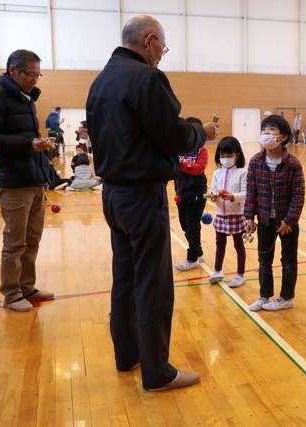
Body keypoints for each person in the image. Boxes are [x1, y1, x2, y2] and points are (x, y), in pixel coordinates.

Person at [86, 15, 218, 392]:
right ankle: (158, 372)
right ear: (149, 40)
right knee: (154, 284)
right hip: (142, 195)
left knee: (125, 278)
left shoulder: (101, 80)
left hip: (112, 193)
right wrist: (200, 132)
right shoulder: (145, 76)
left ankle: (127, 355)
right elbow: (172, 135)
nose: (162, 54)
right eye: (162, 46)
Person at [0, 49, 56, 312]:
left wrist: (45, 175)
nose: (35, 79)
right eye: (30, 74)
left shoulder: (26, 99)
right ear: (13, 70)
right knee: (15, 243)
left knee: (32, 240)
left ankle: (26, 287)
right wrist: (28, 143)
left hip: (34, 182)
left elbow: (31, 142)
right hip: (13, 185)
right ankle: (11, 294)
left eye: (38, 74)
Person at [244, 115, 305, 312]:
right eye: (264, 130)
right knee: (264, 260)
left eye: (271, 130)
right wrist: (248, 217)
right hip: (264, 220)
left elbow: (298, 195)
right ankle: (264, 296)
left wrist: (289, 221)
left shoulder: (293, 164)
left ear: (283, 137)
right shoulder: (255, 161)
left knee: (288, 261)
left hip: (287, 223)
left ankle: (287, 297)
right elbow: (251, 192)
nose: (266, 134)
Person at [208, 136, 248, 288]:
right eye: (222, 156)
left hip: (237, 215)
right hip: (221, 215)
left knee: (239, 245)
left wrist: (232, 197)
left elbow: (246, 193)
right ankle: (217, 271)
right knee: (220, 244)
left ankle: (240, 274)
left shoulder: (242, 173)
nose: (225, 159)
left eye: (229, 156)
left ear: (237, 155)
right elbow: (213, 192)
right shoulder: (216, 173)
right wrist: (213, 197)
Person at [173, 127, 208, 271]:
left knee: (192, 226)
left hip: (196, 193)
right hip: (180, 193)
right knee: (184, 226)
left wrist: (179, 164)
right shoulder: (178, 149)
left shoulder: (201, 150)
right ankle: (199, 253)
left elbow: (198, 169)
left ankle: (192, 258)